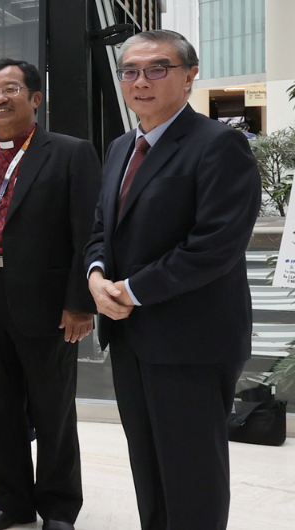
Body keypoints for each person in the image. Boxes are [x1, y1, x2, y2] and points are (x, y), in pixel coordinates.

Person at [85, 30, 259, 530]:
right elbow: (102, 230)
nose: (141, 81)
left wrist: (132, 291)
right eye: (130, 71)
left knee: (192, 473)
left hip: (191, 339)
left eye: (157, 69)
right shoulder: (121, 146)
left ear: (189, 75)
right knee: (150, 468)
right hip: (130, 336)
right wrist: (97, 276)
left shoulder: (218, 143)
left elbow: (214, 246)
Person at [0, 59, 100, 530]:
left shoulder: (71, 153)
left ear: (35, 98)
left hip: (49, 306)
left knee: (53, 412)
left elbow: (88, 233)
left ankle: (58, 507)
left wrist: (80, 302)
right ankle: (11, 501)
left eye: (11, 88)